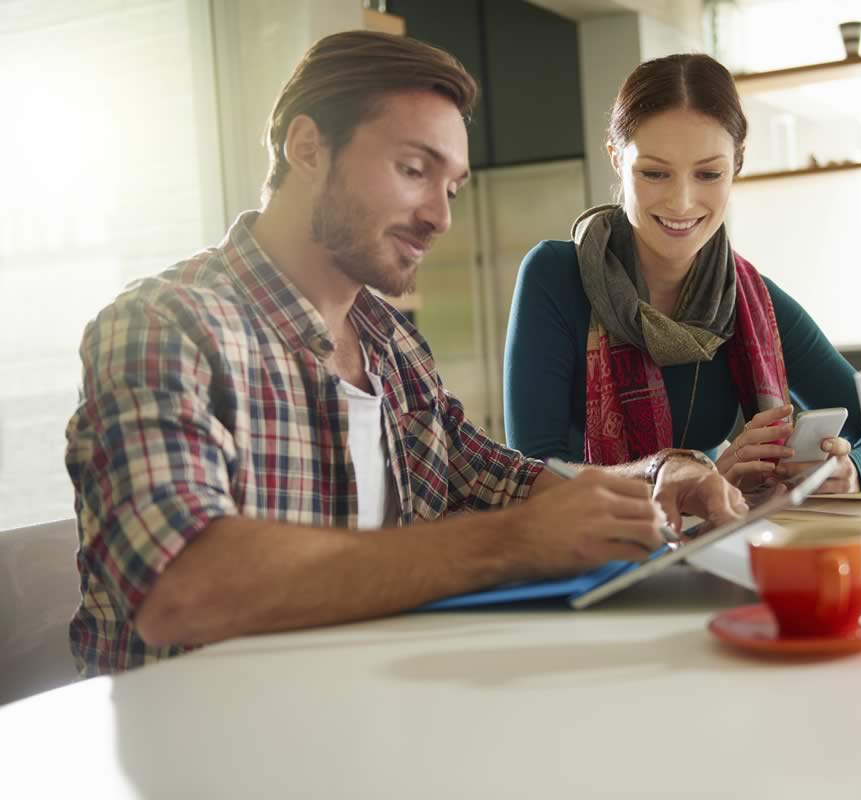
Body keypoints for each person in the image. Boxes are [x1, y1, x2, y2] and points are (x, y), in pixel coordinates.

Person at [64, 33, 745, 677]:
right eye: (414, 170)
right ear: (308, 147)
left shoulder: (391, 343)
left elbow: (498, 478)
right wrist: (511, 542)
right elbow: (180, 588)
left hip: (375, 716)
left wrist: (655, 475)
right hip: (204, 751)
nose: (440, 218)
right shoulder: (164, 327)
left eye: (451, 188)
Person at [504, 54, 861, 495]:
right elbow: (532, 477)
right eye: (655, 173)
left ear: (737, 163)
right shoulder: (555, 276)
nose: (682, 202)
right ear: (615, 158)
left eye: (708, 173)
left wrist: (849, 471)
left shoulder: (749, 299)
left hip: (718, 547)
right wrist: (701, 485)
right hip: (591, 558)